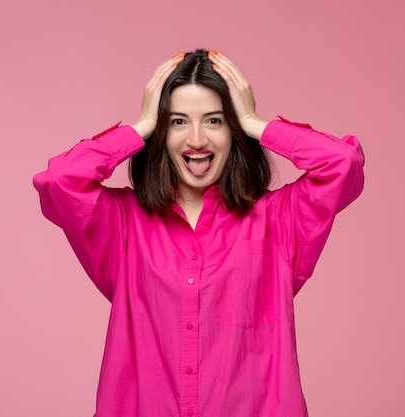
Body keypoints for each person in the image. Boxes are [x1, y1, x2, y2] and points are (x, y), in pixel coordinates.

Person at [33, 49, 364, 417]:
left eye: (214, 121)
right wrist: (140, 126)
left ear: (233, 129)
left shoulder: (278, 221)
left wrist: (256, 123)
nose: (196, 140)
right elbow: (60, 181)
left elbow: (343, 164)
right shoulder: (123, 225)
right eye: (177, 122)